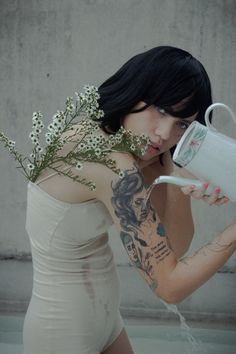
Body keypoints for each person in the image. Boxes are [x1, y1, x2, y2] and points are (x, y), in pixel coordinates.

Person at [22, 46, 236, 354]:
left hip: (107, 322)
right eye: (161, 110)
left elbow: (173, 247)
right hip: (61, 331)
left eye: (182, 124)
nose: (164, 133)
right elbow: (170, 286)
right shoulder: (105, 158)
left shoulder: (139, 148)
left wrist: (179, 180)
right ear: (135, 91)